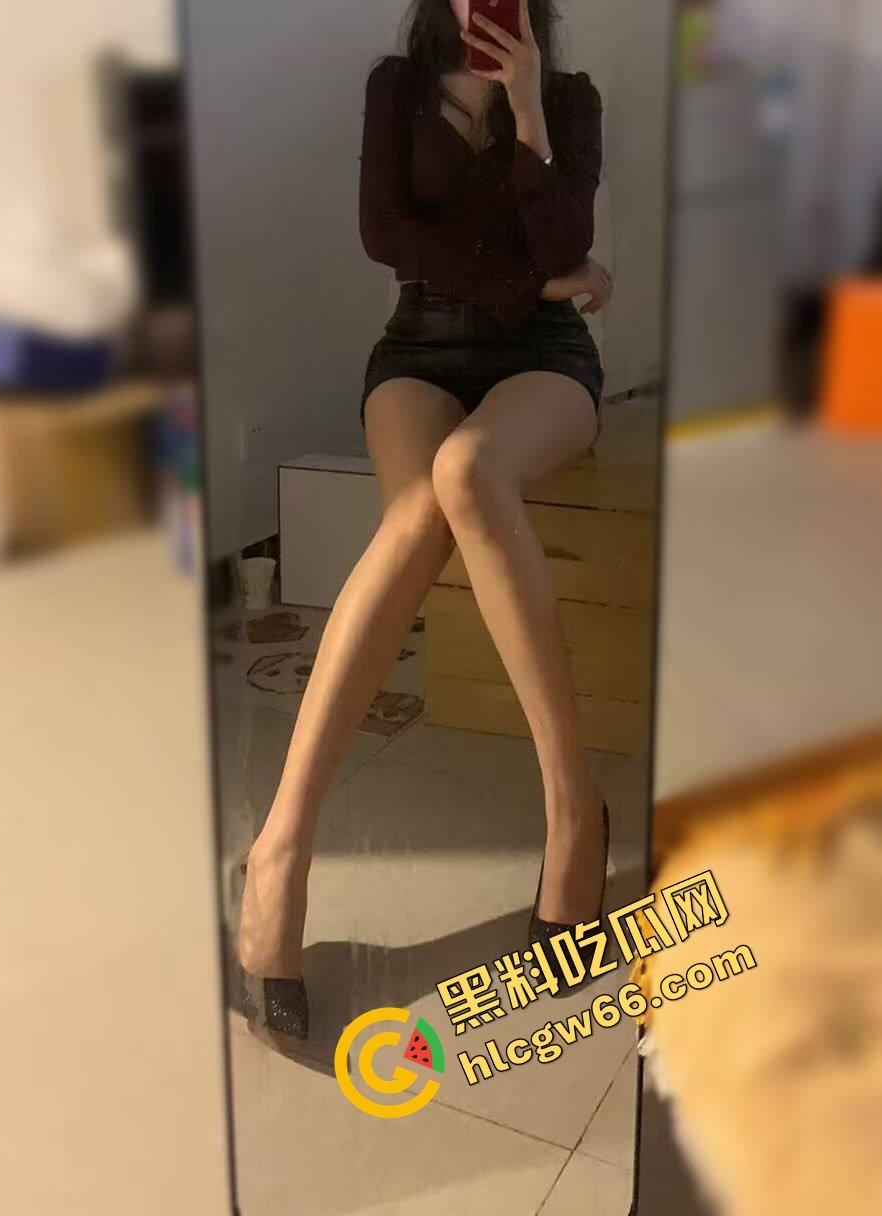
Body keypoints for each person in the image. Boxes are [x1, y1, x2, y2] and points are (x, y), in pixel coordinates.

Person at [240, 0, 614, 1041]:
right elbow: (387, 236)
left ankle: (570, 812)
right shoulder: (394, 89)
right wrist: (542, 280)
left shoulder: (571, 99)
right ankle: (280, 849)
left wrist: (528, 111)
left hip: (546, 357)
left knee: (470, 471)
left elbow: (569, 235)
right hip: (417, 348)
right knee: (416, 513)